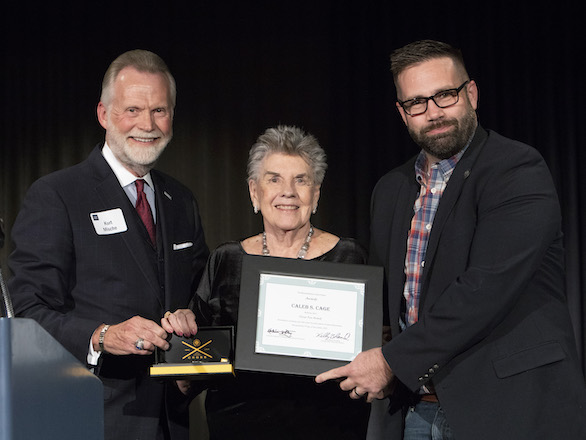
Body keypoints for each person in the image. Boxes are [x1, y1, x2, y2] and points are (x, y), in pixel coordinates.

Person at [316, 40, 586, 439]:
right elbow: (392, 302)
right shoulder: (390, 189)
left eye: (445, 95)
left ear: (471, 94)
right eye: (417, 103)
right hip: (413, 410)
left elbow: (484, 289)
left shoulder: (516, 170)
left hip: (506, 408)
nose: (433, 112)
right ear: (402, 113)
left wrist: (390, 362)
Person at [8, 49, 209, 440]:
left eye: (159, 111)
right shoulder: (57, 195)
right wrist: (102, 336)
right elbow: (27, 312)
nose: (147, 124)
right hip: (89, 416)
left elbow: (200, 301)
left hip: (173, 422)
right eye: (132, 109)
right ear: (104, 114)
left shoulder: (181, 201)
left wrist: (193, 331)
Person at [191, 125, 370, 439]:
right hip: (238, 424)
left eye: (301, 180)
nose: (288, 191)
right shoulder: (226, 260)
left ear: (316, 194)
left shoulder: (349, 258)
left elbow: (373, 352)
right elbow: (197, 348)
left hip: (330, 426)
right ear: (254, 191)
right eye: (273, 179)